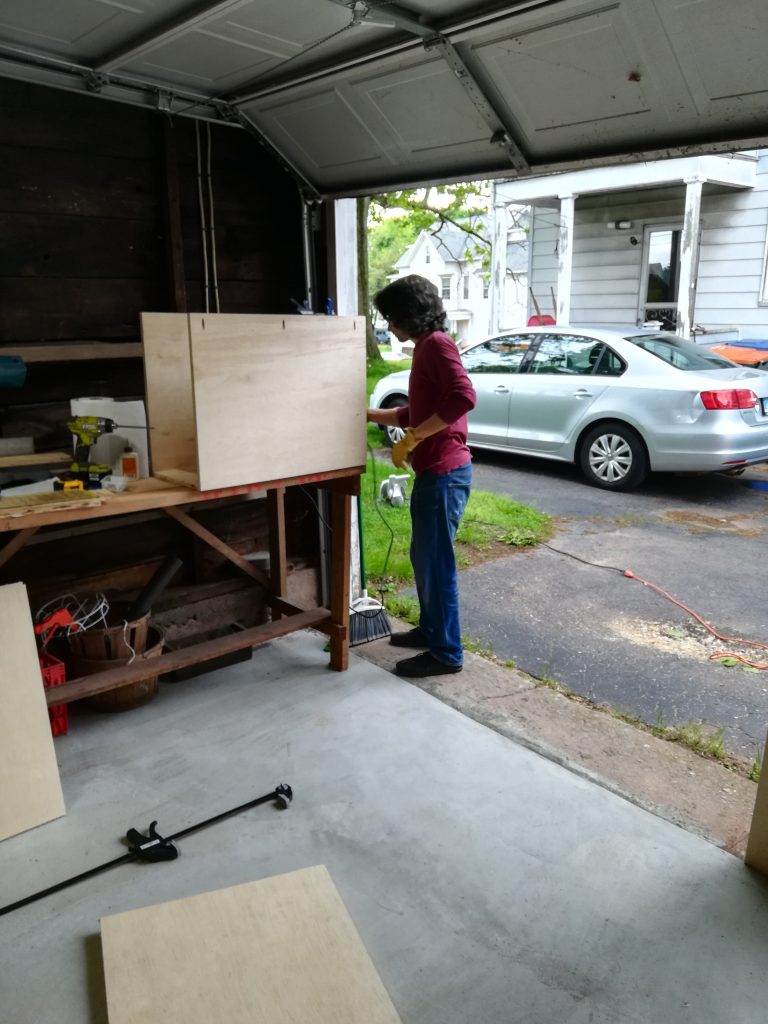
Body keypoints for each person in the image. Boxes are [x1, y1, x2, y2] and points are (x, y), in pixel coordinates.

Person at [367, 275, 476, 678]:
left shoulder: (437, 344)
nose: (391, 326)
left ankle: (447, 654)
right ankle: (432, 631)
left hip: (446, 473)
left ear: (411, 314)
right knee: (424, 558)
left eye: (393, 318)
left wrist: (413, 437)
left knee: (436, 564)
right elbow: (415, 411)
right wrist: (364, 414)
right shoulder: (423, 350)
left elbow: (464, 396)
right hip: (435, 472)